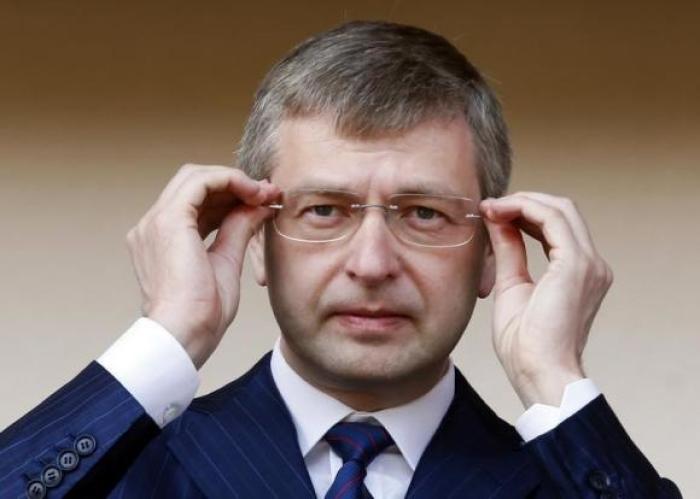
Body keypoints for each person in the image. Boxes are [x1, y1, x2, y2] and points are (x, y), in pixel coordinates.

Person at [0, 20, 680, 499]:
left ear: (490, 255)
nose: (373, 261)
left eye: (424, 213)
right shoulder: (118, 468)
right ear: (257, 239)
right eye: (324, 210)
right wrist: (166, 335)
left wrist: (553, 379)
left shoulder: (576, 477)